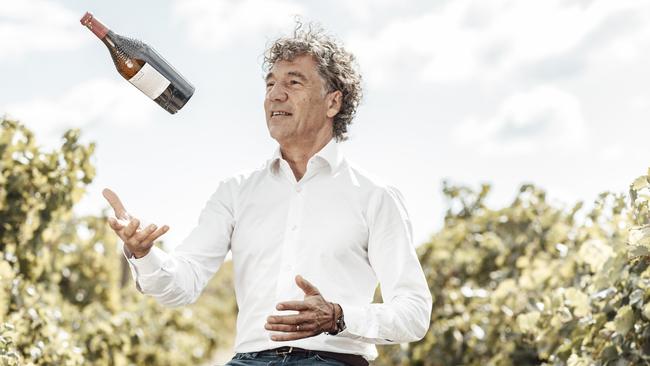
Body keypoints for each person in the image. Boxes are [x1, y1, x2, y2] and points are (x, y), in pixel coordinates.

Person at [103, 22, 432, 366]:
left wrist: (338, 316)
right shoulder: (236, 191)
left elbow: (413, 313)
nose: (275, 94)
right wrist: (143, 254)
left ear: (333, 102)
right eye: (270, 83)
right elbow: (182, 284)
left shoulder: (375, 196)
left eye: (293, 82)